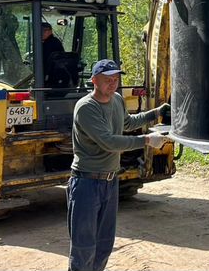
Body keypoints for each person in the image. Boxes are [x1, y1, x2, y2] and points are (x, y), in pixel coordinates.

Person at [67, 59, 171, 271]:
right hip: (86, 183)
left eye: (116, 79)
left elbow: (128, 123)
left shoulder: (116, 99)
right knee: (84, 247)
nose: (113, 84)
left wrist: (156, 112)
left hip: (109, 182)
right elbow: (110, 142)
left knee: (105, 244)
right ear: (94, 80)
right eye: (107, 80)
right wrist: (146, 141)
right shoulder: (86, 108)